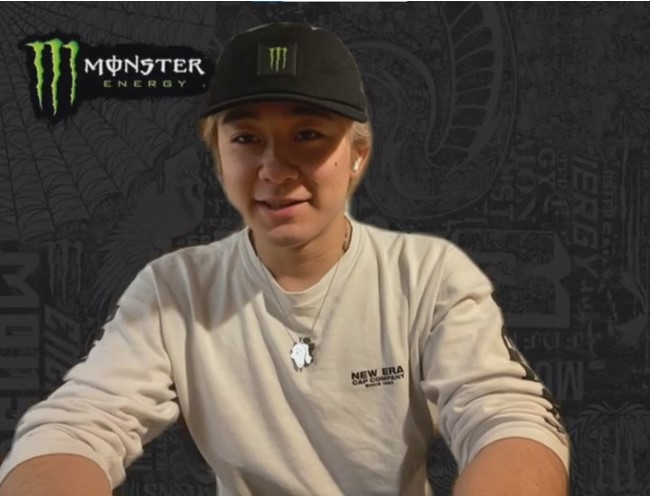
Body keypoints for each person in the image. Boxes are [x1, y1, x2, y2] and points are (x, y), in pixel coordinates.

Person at [0, 22, 570, 496]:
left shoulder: (426, 276)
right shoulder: (174, 288)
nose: (274, 169)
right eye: (246, 139)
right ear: (218, 157)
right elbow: (78, 425)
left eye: (308, 134)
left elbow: (507, 417)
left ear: (358, 155)